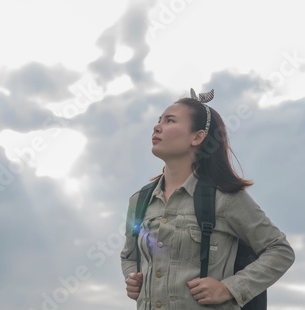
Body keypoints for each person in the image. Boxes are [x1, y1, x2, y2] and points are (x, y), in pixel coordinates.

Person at [120, 89, 295, 309]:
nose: (157, 127)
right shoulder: (139, 200)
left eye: (170, 121)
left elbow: (280, 250)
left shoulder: (225, 198)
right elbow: (128, 256)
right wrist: (132, 277)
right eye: (159, 121)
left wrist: (229, 288)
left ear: (198, 137)